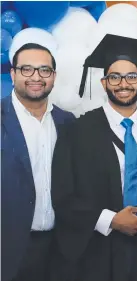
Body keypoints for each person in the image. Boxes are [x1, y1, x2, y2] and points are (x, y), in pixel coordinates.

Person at [50, 34, 137, 281]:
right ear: (104, 83)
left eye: (132, 76)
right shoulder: (77, 131)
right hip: (94, 251)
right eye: (114, 77)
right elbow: (62, 194)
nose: (123, 84)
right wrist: (111, 220)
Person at [1, 43, 75, 281]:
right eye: (27, 69)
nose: (36, 77)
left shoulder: (67, 122)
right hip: (7, 251)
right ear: (13, 74)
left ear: (53, 76)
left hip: (57, 250)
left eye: (44, 70)